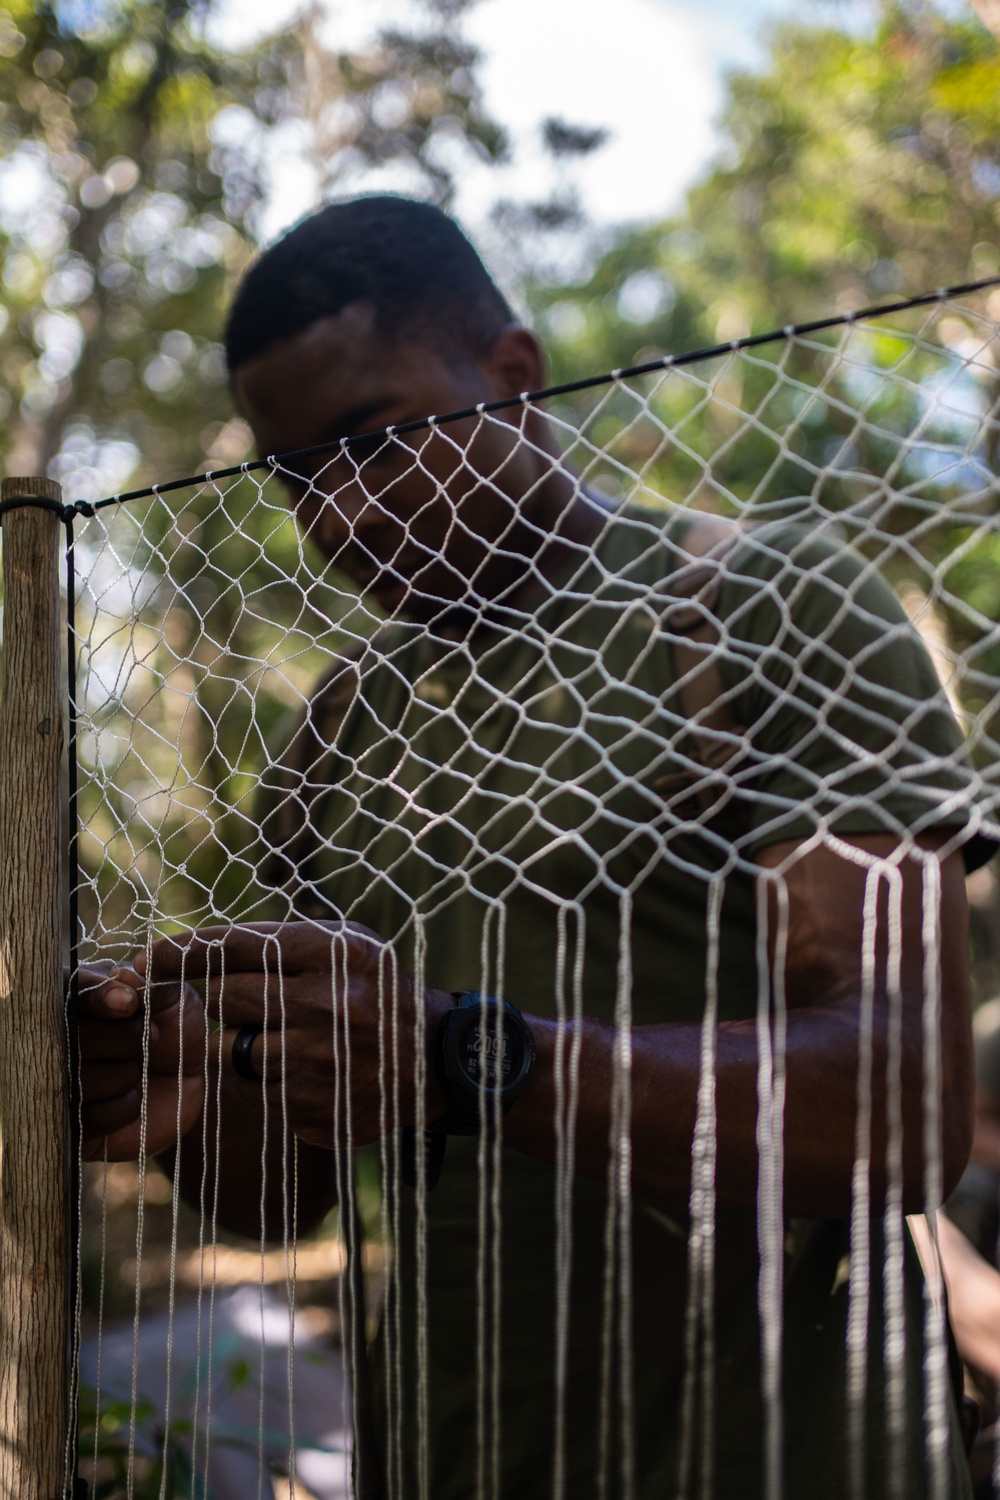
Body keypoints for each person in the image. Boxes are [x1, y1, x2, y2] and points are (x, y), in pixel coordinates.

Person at [78, 195, 991, 1499]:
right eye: (294, 483)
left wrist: (468, 1058)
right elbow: (283, 1200)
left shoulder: (761, 608)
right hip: (461, 1448)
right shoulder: (339, 732)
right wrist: (169, 1100)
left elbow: (907, 1106)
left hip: (795, 1451)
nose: (336, 519)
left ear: (512, 377)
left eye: (370, 443)